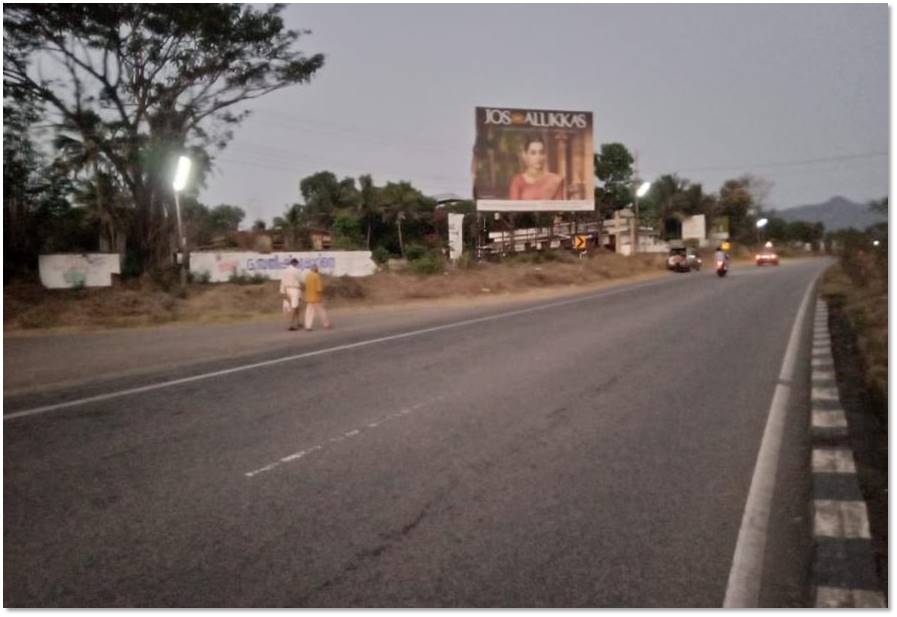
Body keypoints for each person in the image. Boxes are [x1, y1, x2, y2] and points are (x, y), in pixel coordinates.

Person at [302, 264, 331, 331]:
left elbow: (305, 287)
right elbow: (319, 289)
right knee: (321, 311)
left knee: (309, 312)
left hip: (309, 297)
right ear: (315, 269)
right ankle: (326, 324)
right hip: (316, 297)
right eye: (317, 268)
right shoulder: (316, 276)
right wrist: (321, 297)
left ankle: (308, 326)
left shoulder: (307, 276)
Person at [279, 258, 303, 331]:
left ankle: (298, 322)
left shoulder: (285, 271)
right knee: (294, 307)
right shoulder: (297, 271)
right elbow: (301, 281)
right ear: (296, 263)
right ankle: (291, 325)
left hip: (287, 289)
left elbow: (282, 282)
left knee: (296, 306)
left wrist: (282, 291)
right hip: (295, 289)